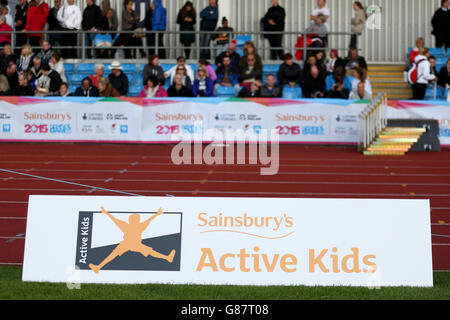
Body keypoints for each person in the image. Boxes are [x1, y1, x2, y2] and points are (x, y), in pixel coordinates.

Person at [89, 207, 176, 274]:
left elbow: (114, 219)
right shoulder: (137, 226)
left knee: (113, 254)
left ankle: (98, 267)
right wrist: (157, 214)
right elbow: (148, 220)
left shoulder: (129, 225)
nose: (134, 220)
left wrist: (105, 212)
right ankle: (98, 267)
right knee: (113, 254)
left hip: (131, 244)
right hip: (129, 244)